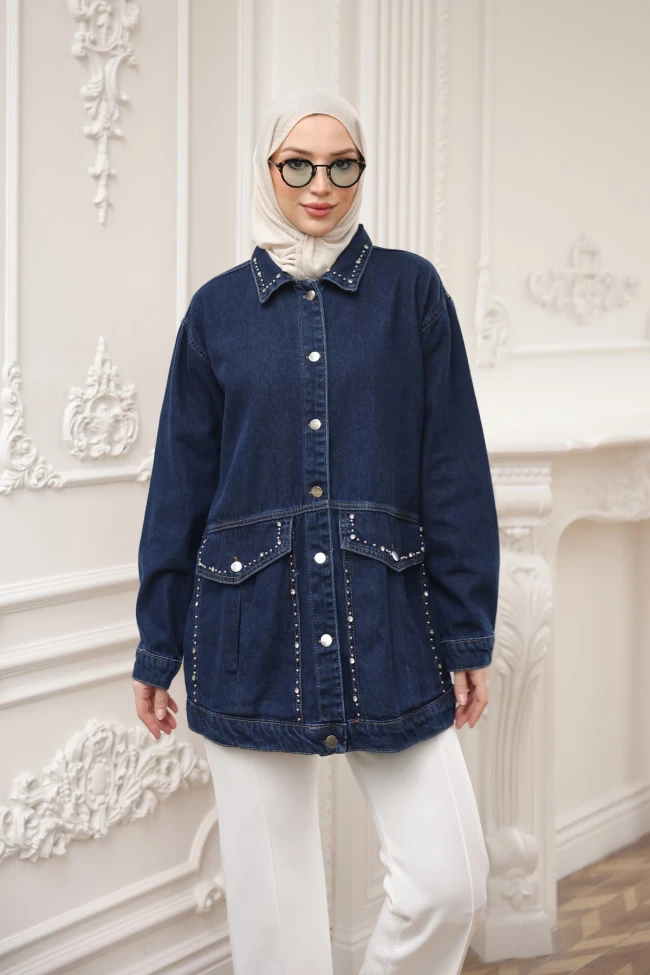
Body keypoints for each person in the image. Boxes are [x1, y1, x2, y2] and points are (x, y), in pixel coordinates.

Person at [132, 88, 500, 974]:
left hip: (392, 623)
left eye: (342, 165)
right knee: (278, 928)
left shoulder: (412, 291)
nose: (320, 184)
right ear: (268, 170)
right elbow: (180, 486)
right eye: (297, 164)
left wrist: (466, 632)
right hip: (244, 631)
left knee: (449, 882)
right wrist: (155, 646)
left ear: (362, 170)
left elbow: (452, 467)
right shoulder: (216, 311)